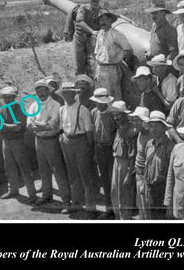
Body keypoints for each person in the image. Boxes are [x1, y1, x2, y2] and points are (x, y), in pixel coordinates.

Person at [27, 79, 71, 207]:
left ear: (48, 91)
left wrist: (39, 124)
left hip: (52, 140)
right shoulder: (33, 106)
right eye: (38, 91)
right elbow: (29, 125)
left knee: (58, 170)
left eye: (43, 90)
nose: (40, 93)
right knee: (43, 170)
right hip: (38, 140)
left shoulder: (56, 105)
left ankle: (66, 199)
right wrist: (43, 125)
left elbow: (52, 125)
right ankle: (46, 195)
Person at [58, 82, 99, 218]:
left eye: (70, 93)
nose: (67, 95)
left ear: (75, 94)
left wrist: (88, 148)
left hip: (80, 141)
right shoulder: (62, 109)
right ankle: (76, 204)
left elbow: (89, 132)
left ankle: (91, 207)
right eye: (65, 93)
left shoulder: (83, 110)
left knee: (85, 175)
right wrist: (63, 138)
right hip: (67, 141)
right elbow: (62, 126)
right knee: (72, 174)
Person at [0, 86, 37, 204]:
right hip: (6, 142)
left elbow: (19, 128)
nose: (7, 100)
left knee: (24, 167)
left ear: (14, 97)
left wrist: (4, 126)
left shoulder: (19, 109)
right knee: (9, 168)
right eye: (5, 98)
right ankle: (13, 190)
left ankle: (32, 194)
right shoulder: (1, 110)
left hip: (18, 141)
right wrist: (9, 127)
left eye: (9, 97)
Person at [140, 111, 175, 220]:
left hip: (163, 190)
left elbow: (173, 174)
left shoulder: (170, 147)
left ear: (164, 128)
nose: (153, 129)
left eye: (157, 126)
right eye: (151, 126)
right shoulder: (149, 144)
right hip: (150, 189)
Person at [89, 88, 117, 219]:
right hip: (99, 149)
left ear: (107, 102)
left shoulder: (113, 113)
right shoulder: (94, 112)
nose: (98, 105)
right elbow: (94, 133)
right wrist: (95, 151)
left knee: (114, 180)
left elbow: (117, 133)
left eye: (101, 102)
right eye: (96, 102)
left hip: (111, 150)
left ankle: (118, 209)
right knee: (105, 180)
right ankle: (109, 208)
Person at [94, 9, 133, 101]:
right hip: (101, 68)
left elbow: (127, 49)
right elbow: (97, 53)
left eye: (104, 20)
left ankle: (116, 113)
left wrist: (124, 63)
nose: (102, 22)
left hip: (113, 69)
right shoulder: (100, 34)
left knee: (114, 96)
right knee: (102, 95)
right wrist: (96, 71)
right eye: (100, 20)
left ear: (110, 20)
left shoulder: (116, 34)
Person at [109, 101, 138, 220]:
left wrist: (129, 174)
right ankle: (118, 217)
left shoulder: (131, 130)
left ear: (125, 114)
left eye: (118, 115)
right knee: (115, 192)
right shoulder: (119, 127)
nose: (116, 117)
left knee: (125, 195)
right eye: (114, 115)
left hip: (126, 164)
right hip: (117, 162)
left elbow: (132, 155)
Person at [72, 0, 104, 75]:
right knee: (79, 63)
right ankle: (80, 80)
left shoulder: (102, 11)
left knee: (95, 62)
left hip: (93, 39)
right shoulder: (83, 9)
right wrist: (92, 31)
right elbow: (80, 22)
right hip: (80, 37)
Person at [129, 107, 152, 220]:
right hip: (139, 176)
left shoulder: (151, 137)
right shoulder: (140, 134)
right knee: (141, 207)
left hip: (145, 177)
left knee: (147, 208)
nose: (133, 123)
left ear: (144, 122)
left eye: (136, 120)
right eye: (133, 120)